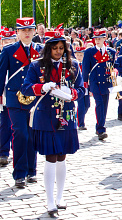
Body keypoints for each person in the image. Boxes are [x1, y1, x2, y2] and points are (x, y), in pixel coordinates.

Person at [21, 31, 85, 217]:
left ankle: (59, 196)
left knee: (62, 156)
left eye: (61, 48)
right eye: (54, 48)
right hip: (46, 116)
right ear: (48, 49)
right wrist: (42, 87)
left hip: (66, 114)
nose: (58, 51)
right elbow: (26, 88)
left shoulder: (73, 66)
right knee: (50, 156)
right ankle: (49, 200)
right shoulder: (36, 66)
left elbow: (81, 88)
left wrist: (71, 93)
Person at [0, 18, 43, 188]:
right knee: (20, 134)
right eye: (23, 30)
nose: (27, 33)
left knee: (32, 135)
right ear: (17, 32)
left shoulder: (40, 50)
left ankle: (31, 171)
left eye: (30, 30)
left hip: (34, 99)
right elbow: (1, 74)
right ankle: (19, 173)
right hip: (14, 98)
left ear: (34, 31)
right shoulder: (9, 51)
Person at [82, 28, 116, 141]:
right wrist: (85, 84)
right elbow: (85, 69)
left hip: (106, 81)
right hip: (95, 81)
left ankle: (99, 126)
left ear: (105, 38)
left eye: (100, 38)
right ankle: (101, 129)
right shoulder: (89, 52)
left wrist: (115, 72)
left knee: (105, 105)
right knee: (99, 103)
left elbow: (113, 66)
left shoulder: (111, 52)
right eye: (96, 38)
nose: (97, 40)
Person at [0, 31, 17, 166]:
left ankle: (14, 150)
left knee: (17, 126)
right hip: (4, 95)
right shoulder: (4, 53)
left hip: (16, 95)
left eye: (11, 40)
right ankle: (4, 152)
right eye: (6, 40)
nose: (8, 43)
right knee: (5, 124)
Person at [74, 47, 90, 131]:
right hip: (78, 87)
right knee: (81, 105)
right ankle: (81, 123)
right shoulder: (74, 64)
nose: (79, 57)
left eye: (81, 55)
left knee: (87, 105)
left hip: (86, 86)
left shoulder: (86, 64)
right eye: (78, 55)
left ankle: (77, 117)